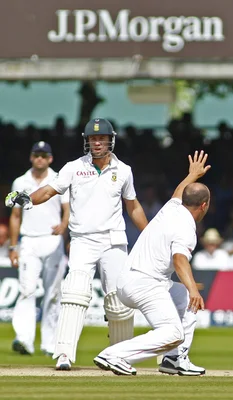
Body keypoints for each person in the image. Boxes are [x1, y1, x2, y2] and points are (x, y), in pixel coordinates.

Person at [5, 118, 149, 371]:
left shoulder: (124, 170)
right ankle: (63, 354)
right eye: (92, 139)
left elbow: (133, 206)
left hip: (114, 240)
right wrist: (27, 198)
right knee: (74, 293)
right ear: (87, 141)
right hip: (83, 239)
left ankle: (119, 356)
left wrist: (149, 234)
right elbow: (49, 190)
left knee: (118, 300)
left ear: (110, 140)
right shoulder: (73, 167)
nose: (97, 143)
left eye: (101, 138)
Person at [93, 150, 210, 376]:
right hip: (146, 284)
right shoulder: (186, 227)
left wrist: (192, 176)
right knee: (173, 332)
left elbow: (179, 193)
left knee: (184, 300)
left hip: (131, 279)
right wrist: (194, 287)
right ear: (204, 205)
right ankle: (114, 355)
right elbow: (179, 260)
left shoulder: (172, 208)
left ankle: (174, 359)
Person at [8, 142, 70, 356]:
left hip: (52, 239)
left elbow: (67, 209)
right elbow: (15, 216)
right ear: (31, 157)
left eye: (44, 155)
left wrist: (64, 225)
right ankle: (24, 340)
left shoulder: (58, 178)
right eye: (37, 155)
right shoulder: (20, 181)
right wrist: (13, 246)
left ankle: (49, 343)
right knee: (27, 290)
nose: (40, 159)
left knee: (54, 293)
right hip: (29, 241)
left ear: (50, 159)